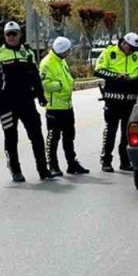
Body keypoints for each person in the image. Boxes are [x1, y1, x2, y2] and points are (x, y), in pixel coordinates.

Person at [0, 21, 52, 183]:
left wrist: (41, 96)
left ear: (20, 35)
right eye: (9, 34)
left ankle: (43, 169)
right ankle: (15, 170)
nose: (12, 37)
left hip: (27, 101)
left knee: (36, 136)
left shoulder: (27, 53)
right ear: (4, 36)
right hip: (6, 103)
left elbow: (35, 76)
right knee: (11, 137)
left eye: (14, 33)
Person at [94, 32, 138, 173]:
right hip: (113, 99)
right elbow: (98, 71)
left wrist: (135, 79)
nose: (132, 51)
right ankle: (106, 161)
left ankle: (125, 161)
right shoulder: (110, 52)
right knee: (110, 131)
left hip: (130, 100)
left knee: (126, 133)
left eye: (134, 49)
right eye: (130, 48)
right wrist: (116, 77)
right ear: (124, 43)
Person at [40, 36, 88, 177]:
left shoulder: (61, 61)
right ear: (62, 50)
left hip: (67, 106)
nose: (70, 52)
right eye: (68, 50)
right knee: (53, 137)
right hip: (54, 107)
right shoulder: (47, 63)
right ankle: (53, 165)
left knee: (69, 136)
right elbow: (44, 83)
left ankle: (72, 164)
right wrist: (60, 86)